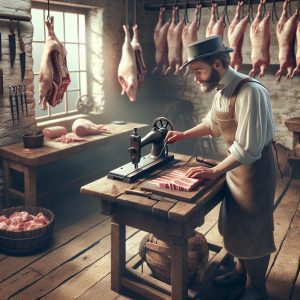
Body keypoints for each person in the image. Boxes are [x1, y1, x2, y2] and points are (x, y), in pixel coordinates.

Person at [166, 36, 277, 300]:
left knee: (254, 228)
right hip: (235, 167)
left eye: (199, 71)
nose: (197, 78)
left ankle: (256, 288)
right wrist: (183, 135)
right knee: (235, 223)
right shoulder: (221, 91)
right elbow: (212, 124)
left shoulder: (250, 92)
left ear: (217, 63)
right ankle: (240, 272)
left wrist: (215, 171)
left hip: (256, 170)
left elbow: (248, 149)